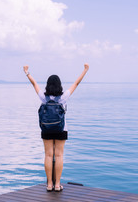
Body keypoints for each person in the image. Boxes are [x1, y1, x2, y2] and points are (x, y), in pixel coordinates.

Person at [23, 63, 89, 192]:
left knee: (48, 155)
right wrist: (85, 70)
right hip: (61, 129)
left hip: (46, 129)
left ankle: (49, 185)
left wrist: (27, 72)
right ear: (59, 85)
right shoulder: (63, 98)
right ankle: (57, 185)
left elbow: (34, 84)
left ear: (48, 85)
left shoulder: (43, 97)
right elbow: (76, 84)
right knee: (58, 156)